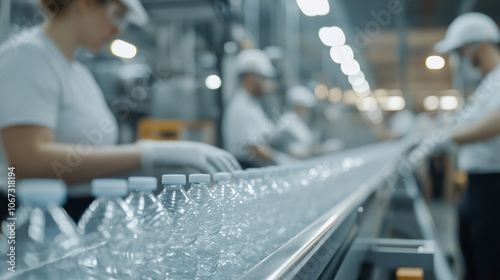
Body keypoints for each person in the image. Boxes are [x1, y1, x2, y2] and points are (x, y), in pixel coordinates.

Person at [0, 0, 240, 221]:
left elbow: (91, 162)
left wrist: (157, 170)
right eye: (117, 15)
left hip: (81, 213)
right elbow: (27, 162)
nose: (118, 30)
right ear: (85, 3)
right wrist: (146, 154)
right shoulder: (28, 56)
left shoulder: (78, 72)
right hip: (35, 221)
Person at [434, 12, 500, 280]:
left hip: (494, 186)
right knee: (472, 257)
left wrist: (451, 136)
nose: (458, 61)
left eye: (460, 53)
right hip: (476, 185)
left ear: (479, 46)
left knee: (490, 261)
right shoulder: (487, 85)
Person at [223, 48, 294, 168]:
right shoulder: (241, 106)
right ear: (250, 77)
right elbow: (253, 148)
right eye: (263, 78)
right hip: (246, 169)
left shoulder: (252, 105)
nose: (267, 83)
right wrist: (281, 159)